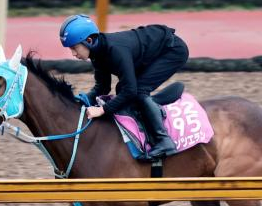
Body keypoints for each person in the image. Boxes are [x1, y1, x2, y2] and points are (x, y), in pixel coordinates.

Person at [59, 14, 189, 158]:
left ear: (89, 41)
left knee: (138, 91)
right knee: (123, 90)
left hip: (172, 51)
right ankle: (151, 107)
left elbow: (131, 90)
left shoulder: (115, 51)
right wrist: (81, 100)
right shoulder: (97, 54)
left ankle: (164, 141)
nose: (73, 54)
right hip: (150, 52)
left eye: (74, 48)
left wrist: (102, 110)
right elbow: (102, 87)